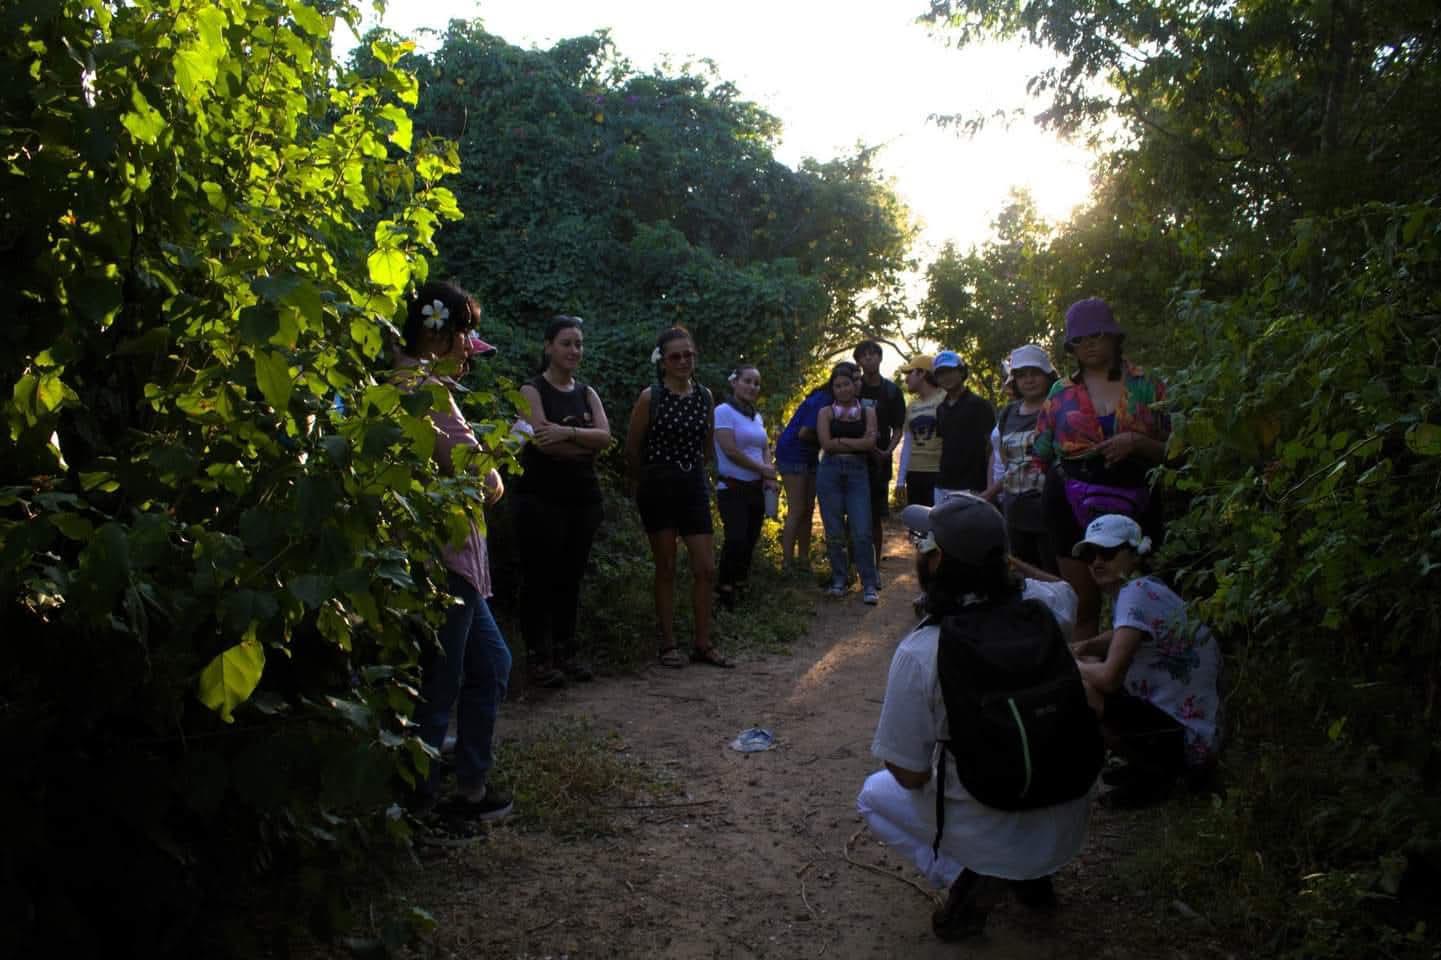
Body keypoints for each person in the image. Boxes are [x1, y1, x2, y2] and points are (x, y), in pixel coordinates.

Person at [857, 494, 1091, 941]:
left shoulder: (922, 650)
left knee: (873, 795)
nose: (916, 549)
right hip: (1065, 817)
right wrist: (1001, 561)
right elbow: (1068, 593)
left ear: (938, 560)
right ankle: (1022, 869)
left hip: (995, 809)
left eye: (922, 542)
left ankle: (975, 869)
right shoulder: (1044, 610)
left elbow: (907, 774)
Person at [395, 281, 513, 823]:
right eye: (465, 335)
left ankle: (468, 789)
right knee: (440, 687)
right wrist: (494, 464)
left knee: (489, 665)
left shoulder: (423, 385)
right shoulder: (418, 388)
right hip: (444, 562)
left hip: (457, 562)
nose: (471, 348)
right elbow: (478, 476)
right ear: (438, 334)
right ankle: (421, 808)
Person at [1034, 297, 1170, 642]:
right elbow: (1042, 452)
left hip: (1137, 501)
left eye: (1096, 334)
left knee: (1141, 601)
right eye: (1079, 339)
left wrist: (1137, 444)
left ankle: (1135, 682)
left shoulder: (1148, 385)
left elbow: (1177, 452)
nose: (1089, 344)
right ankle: (1085, 685)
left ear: (1113, 336)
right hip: (1070, 501)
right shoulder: (1060, 392)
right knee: (1083, 605)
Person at [1071, 514, 1223, 808]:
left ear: (1135, 554)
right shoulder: (1146, 589)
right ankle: (1149, 767)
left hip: (1186, 740)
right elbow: (1124, 634)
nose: (1096, 562)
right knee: (1087, 660)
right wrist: (1085, 645)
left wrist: (1066, 665)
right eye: (1090, 555)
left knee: (1081, 688)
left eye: (1108, 552)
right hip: (1195, 733)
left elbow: (1109, 678)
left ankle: (1157, 778)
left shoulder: (1135, 594)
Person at [624, 326, 734, 669]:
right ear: (663, 361)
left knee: (705, 567)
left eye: (689, 354)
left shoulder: (705, 397)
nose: (684, 361)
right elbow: (632, 447)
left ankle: (703, 643)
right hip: (658, 484)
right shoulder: (650, 397)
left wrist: (694, 473)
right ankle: (668, 644)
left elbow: (706, 446)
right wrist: (647, 480)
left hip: (693, 484)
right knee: (667, 566)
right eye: (676, 356)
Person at [512, 315, 612, 689]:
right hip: (540, 498)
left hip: (582, 499)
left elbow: (605, 438)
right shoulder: (531, 390)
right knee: (539, 577)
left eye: (578, 344)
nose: (574, 351)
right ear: (548, 346)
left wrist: (567, 433)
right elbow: (540, 439)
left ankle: (565, 650)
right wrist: (583, 442)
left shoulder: (587, 393)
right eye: (567, 343)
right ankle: (539, 657)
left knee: (571, 576)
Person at [983, 344, 1060, 573]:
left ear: (1047, 375)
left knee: (1053, 579)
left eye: (1035, 373)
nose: (1028, 380)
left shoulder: (1058, 408)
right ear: (1013, 380)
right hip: (1015, 512)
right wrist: (989, 495)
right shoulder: (1008, 413)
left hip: (1051, 512)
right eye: (1021, 374)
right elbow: (1009, 466)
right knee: (1024, 580)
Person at [713, 364, 778, 609]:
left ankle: (741, 585)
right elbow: (730, 450)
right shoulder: (723, 412)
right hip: (732, 488)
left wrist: (768, 474)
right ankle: (724, 589)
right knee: (736, 538)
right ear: (734, 382)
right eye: (747, 381)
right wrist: (762, 469)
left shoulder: (756, 416)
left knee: (750, 539)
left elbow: (764, 449)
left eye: (756, 383)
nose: (752, 387)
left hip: (755, 488)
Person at [815, 362, 880, 604]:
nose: (842, 389)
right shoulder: (825, 412)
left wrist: (840, 439)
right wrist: (857, 442)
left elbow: (870, 443)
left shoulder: (867, 411)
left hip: (857, 473)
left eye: (846, 384)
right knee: (834, 531)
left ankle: (869, 584)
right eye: (837, 386)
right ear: (832, 389)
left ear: (855, 386)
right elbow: (826, 444)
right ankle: (839, 580)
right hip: (829, 473)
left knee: (862, 531)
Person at [853, 340, 907, 569]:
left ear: (879, 358)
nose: (868, 359)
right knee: (851, 515)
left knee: (875, 517)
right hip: (854, 458)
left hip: (879, 461)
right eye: (863, 356)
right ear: (858, 361)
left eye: (872, 354)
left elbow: (898, 428)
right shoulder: (853, 387)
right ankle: (851, 565)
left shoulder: (892, 391)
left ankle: (873, 566)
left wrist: (888, 451)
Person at [773, 384, 831, 570]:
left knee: (808, 508)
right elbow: (804, 433)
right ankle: (787, 563)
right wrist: (829, 440)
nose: (857, 384)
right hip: (793, 453)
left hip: (810, 456)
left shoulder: (838, 401)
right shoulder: (824, 399)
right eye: (853, 379)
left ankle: (804, 561)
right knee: (797, 509)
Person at [931, 351, 996, 505]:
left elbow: (992, 447)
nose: (946, 376)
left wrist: (989, 486)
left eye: (950, 371)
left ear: (961, 372)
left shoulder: (980, 405)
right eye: (941, 373)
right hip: (943, 484)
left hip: (972, 486)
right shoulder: (941, 408)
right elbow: (944, 445)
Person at [894, 354, 943, 509]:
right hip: (914, 473)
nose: (906, 379)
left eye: (910, 373)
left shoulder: (944, 399)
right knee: (917, 524)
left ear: (922, 373)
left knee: (937, 522)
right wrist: (901, 480)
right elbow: (907, 443)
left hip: (938, 473)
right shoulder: (912, 407)